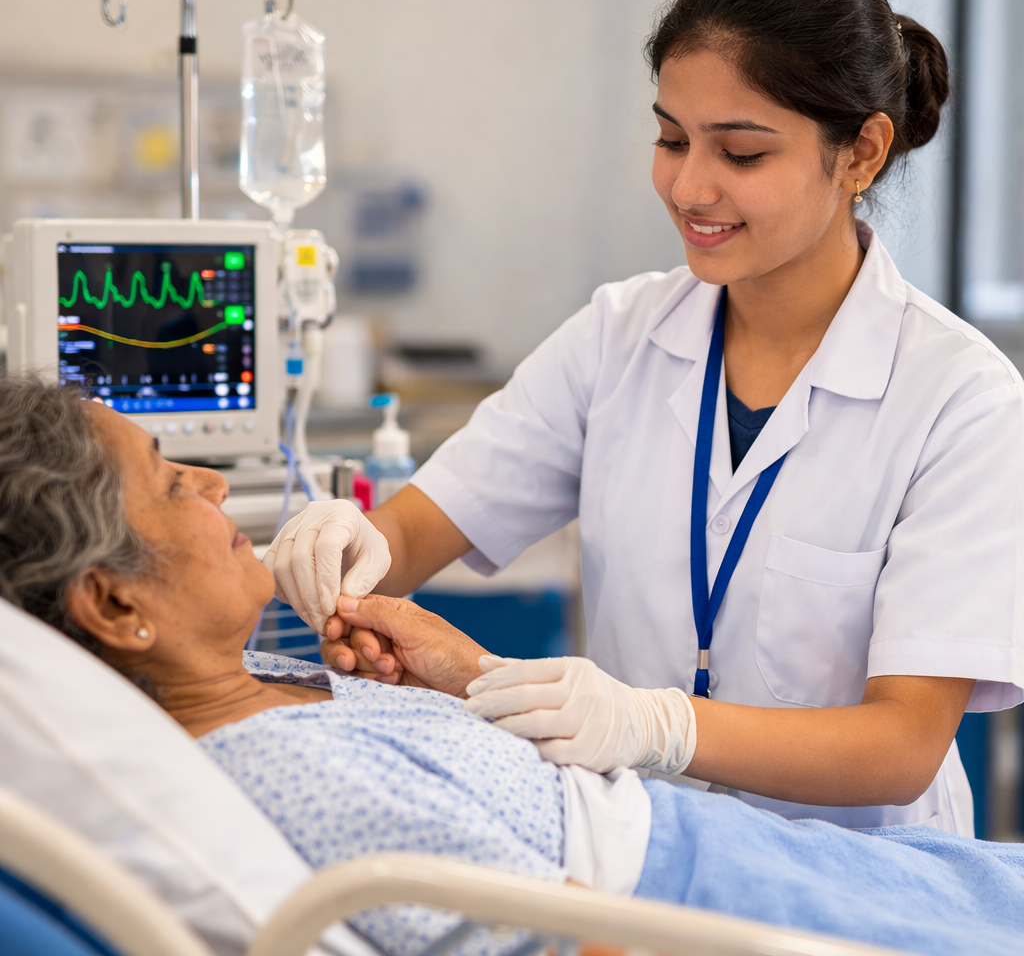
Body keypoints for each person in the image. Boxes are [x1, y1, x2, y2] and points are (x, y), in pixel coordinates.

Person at [263, 0, 1024, 835]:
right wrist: (352, 545)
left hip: (857, 891)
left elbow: (898, 749)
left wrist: (655, 724)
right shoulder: (619, 336)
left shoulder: (960, 398)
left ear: (860, 152)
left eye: (740, 154)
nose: (690, 185)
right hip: (634, 867)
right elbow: (419, 529)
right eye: (670, 138)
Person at [2, 375, 1024, 956]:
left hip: (783, 840)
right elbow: (575, 944)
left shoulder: (264, 670)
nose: (218, 486)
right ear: (114, 603)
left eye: (740, 149)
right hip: (707, 892)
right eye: (171, 480)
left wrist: (473, 676)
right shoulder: (278, 773)